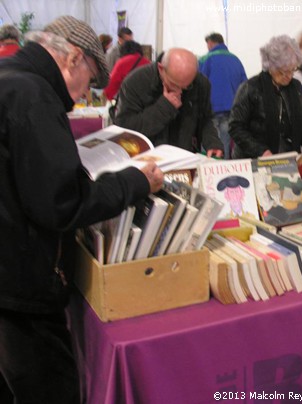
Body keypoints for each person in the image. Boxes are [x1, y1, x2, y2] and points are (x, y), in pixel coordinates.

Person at [0, 15, 164, 403]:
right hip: (20, 282)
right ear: (73, 58)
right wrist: (136, 182)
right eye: (88, 80)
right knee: (48, 385)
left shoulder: (9, 77)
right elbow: (61, 203)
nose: (80, 95)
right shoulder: (34, 96)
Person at [113, 48, 224, 157]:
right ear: (161, 69)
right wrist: (165, 106)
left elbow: (205, 120)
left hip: (184, 157)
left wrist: (212, 143)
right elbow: (124, 128)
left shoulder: (200, 83)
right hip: (146, 158)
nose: (180, 91)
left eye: (187, 86)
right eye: (174, 84)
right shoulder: (136, 81)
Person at [229, 35, 302, 159]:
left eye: (293, 69)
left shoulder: (296, 87)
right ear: (270, 65)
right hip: (254, 159)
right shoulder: (250, 88)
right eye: (283, 71)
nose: (289, 76)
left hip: (287, 158)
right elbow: (235, 127)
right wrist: (260, 151)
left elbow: (300, 124)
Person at [199, 32, 247, 159]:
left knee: (209, 142)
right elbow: (244, 85)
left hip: (210, 109)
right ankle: (224, 170)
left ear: (210, 43)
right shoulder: (236, 59)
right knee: (225, 143)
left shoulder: (205, 59)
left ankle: (208, 170)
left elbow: (199, 82)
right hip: (231, 109)